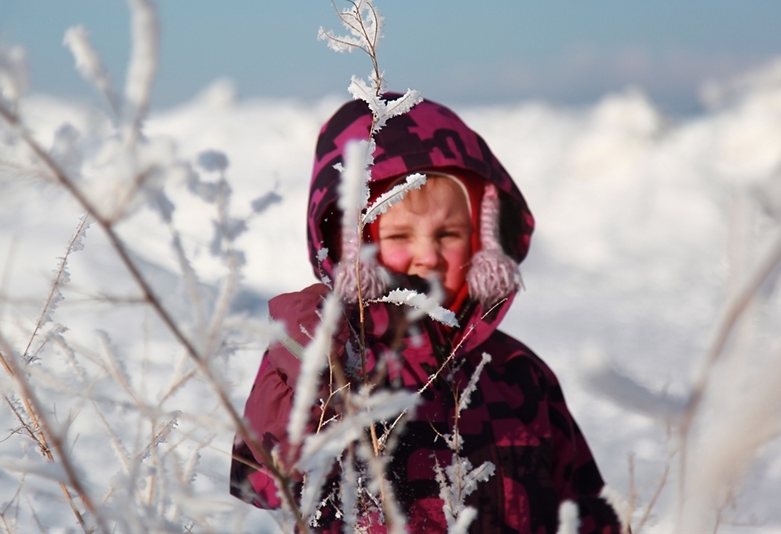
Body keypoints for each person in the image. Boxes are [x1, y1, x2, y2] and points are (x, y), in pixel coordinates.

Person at [230, 94, 621, 534]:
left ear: (484, 243)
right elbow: (262, 483)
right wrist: (303, 366)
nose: (427, 256)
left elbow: (584, 509)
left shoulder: (518, 375)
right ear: (350, 247)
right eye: (399, 234)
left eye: (449, 233)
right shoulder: (338, 364)